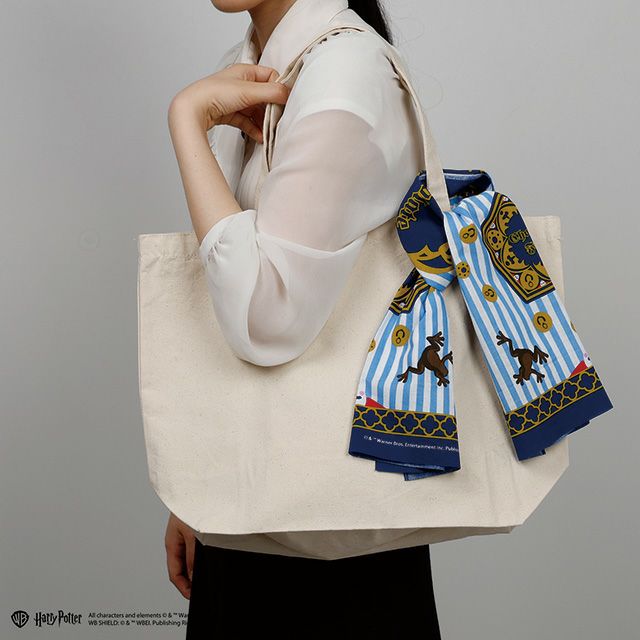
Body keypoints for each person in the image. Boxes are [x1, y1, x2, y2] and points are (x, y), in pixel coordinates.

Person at [165, 0, 442, 636]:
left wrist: (185, 120)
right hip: (259, 497)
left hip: (335, 538)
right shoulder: (265, 63)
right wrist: (199, 482)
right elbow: (234, 300)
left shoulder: (342, 74)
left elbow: (265, 318)